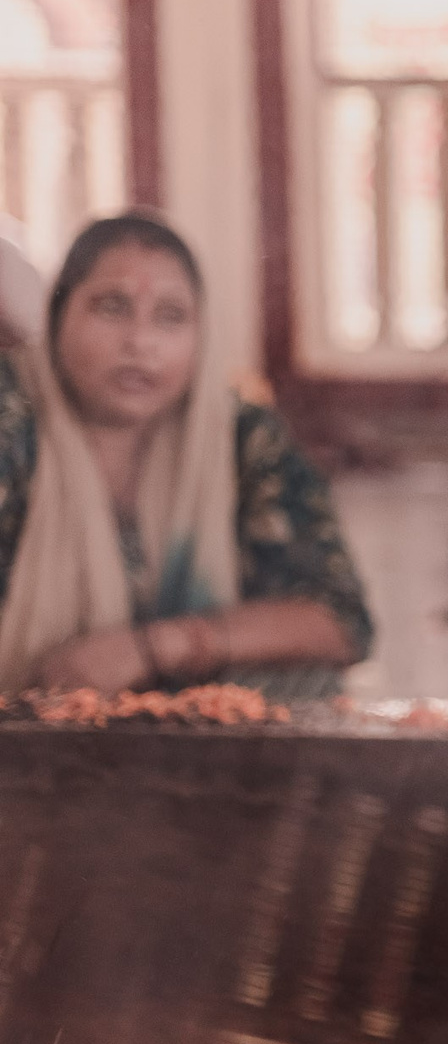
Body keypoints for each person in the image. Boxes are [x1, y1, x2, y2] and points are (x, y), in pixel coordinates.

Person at [0, 214, 371, 697]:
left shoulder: (237, 435)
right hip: (19, 736)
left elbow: (340, 618)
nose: (140, 343)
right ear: (56, 315)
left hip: (185, 727)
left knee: (305, 682)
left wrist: (156, 647)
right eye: (112, 307)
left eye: (171, 316)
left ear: (201, 336)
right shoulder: (12, 420)